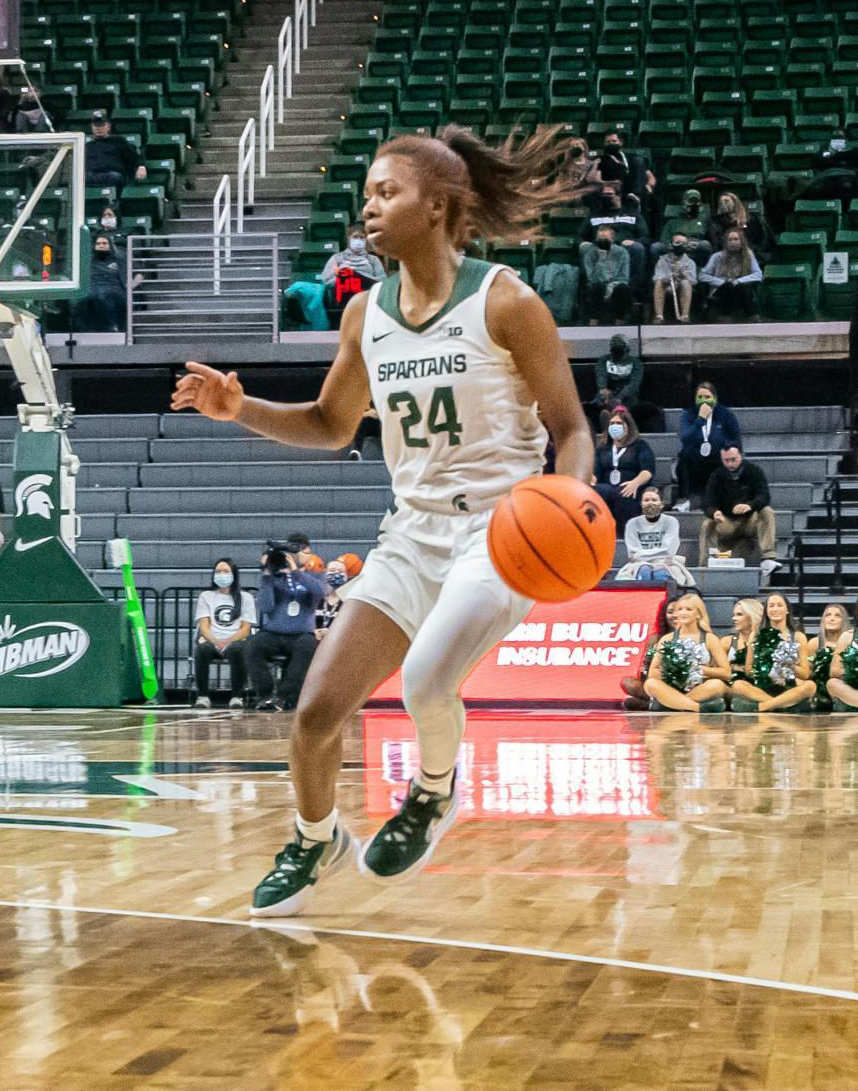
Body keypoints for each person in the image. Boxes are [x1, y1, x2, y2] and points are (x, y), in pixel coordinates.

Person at [171, 123, 592, 916]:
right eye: (366, 192)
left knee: (428, 679)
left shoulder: (506, 301)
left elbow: (572, 428)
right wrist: (238, 409)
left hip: (500, 533)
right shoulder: (366, 315)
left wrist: (568, 498)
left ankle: (432, 793)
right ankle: (314, 835)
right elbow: (333, 424)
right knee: (314, 712)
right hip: (411, 533)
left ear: (435, 207)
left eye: (384, 191)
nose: (366, 206)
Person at [245, 544, 327, 712]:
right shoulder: (272, 579)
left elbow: (319, 592)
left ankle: (285, 696)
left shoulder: (314, 574)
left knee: (307, 647)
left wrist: (295, 572)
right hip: (273, 632)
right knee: (252, 645)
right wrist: (267, 576)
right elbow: (266, 607)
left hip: (301, 633)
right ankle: (265, 694)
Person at [642, 591, 729, 711]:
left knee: (717, 685)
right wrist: (673, 671)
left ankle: (671, 704)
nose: (683, 613)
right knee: (650, 684)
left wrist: (695, 669)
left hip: (698, 688)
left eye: (688, 609)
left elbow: (726, 672)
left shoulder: (710, 638)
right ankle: (697, 707)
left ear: (698, 614)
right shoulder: (667, 639)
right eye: (680, 609)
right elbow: (652, 673)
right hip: (670, 687)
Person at [288, 227, 384, 332]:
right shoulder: (337, 258)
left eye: (361, 238)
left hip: (366, 290)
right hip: (342, 291)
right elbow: (327, 280)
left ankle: (352, 277)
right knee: (346, 275)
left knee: (351, 274)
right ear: (349, 239)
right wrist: (343, 279)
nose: (358, 240)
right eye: (355, 237)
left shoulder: (373, 260)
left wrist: (357, 276)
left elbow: (382, 280)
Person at [699, 445, 778, 572]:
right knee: (707, 524)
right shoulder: (717, 475)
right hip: (727, 522)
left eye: (733, 459)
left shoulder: (754, 471)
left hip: (750, 521)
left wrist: (749, 505)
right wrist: (715, 512)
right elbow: (708, 502)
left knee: (767, 511)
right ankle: (705, 565)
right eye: (726, 460)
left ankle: (768, 557)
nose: (730, 463)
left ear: (741, 455)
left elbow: (764, 496)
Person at [193, 557, 256, 707]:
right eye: (218, 571)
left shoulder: (246, 597)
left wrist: (227, 641)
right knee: (202, 650)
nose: (222, 574)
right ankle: (203, 697)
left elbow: (246, 629)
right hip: (213, 640)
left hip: (235, 641)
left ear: (234, 574)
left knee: (238, 649)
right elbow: (204, 626)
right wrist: (215, 641)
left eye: (226, 571)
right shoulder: (206, 596)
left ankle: (236, 697)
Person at [674, 382, 737, 512]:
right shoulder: (688, 415)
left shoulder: (726, 414)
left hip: (718, 460)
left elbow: (736, 440)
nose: (704, 400)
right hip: (696, 462)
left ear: (715, 398)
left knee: (730, 456)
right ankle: (683, 499)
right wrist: (701, 418)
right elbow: (685, 438)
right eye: (700, 396)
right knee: (685, 454)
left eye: (707, 396)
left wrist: (726, 448)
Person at [593, 407, 654, 532]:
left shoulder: (640, 445)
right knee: (598, 491)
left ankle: (625, 533)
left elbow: (647, 470)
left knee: (624, 492)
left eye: (619, 424)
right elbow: (595, 472)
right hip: (607, 486)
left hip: (630, 485)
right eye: (612, 424)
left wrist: (635, 483)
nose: (615, 426)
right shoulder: (602, 448)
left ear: (628, 427)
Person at [616, 485, 691, 584]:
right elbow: (633, 555)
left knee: (660, 574)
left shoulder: (671, 522)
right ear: (641, 504)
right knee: (644, 572)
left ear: (661, 504)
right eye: (646, 500)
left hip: (666, 563)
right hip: (639, 564)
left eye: (654, 500)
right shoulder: (632, 523)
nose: (650, 503)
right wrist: (654, 556)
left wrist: (644, 554)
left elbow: (669, 551)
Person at [697, 228, 762, 320]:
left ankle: (754, 317)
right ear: (726, 242)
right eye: (730, 240)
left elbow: (758, 275)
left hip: (740, 289)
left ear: (742, 241)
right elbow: (702, 276)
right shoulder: (716, 257)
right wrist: (722, 282)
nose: (733, 242)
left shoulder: (749, 256)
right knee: (728, 286)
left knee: (742, 287)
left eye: (736, 239)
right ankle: (725, 316)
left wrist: (737, 281)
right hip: (720, 290)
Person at [77, 233, 128, 332]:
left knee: (101, 295)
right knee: (81, 299)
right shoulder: (89, 261)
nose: (101, 245)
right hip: (93, 287)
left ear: (110, 245)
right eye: (98, 243)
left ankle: (111, 326)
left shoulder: (119, 258)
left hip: (115, 288)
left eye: (104, 243)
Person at [84, 112, 146, 191]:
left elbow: (134, 157)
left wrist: (141, 166)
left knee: (115, 176)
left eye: (101, 125)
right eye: (96, 125)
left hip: (112, 175)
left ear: (108, 126)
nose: (98, 128)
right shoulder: (87, 145)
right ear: (92, 127)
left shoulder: (118, 141)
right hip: (92, 177)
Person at [593, 334, 643, 421]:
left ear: (626, 347)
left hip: (627, 398)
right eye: (614, 346)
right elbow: (601, 376)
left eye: (620, 345)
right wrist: (603, 390)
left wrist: (620, 397)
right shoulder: (604, 360)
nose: (616, 349)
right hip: (607, 396)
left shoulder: (635, 363)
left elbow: (634, 383)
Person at [652, 233, 697, 322]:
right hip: (668, 285)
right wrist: (670, 276)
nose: (680, 245)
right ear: (672, 244)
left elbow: (692, 280)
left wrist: (682, 275)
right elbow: (658, 276)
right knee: (659, 282)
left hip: (682, 285)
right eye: (678, 242)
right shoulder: (662, 260)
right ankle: (659, 316)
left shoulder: (690, 262)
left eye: (683, 243)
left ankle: (685, 316)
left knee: (686, 283)